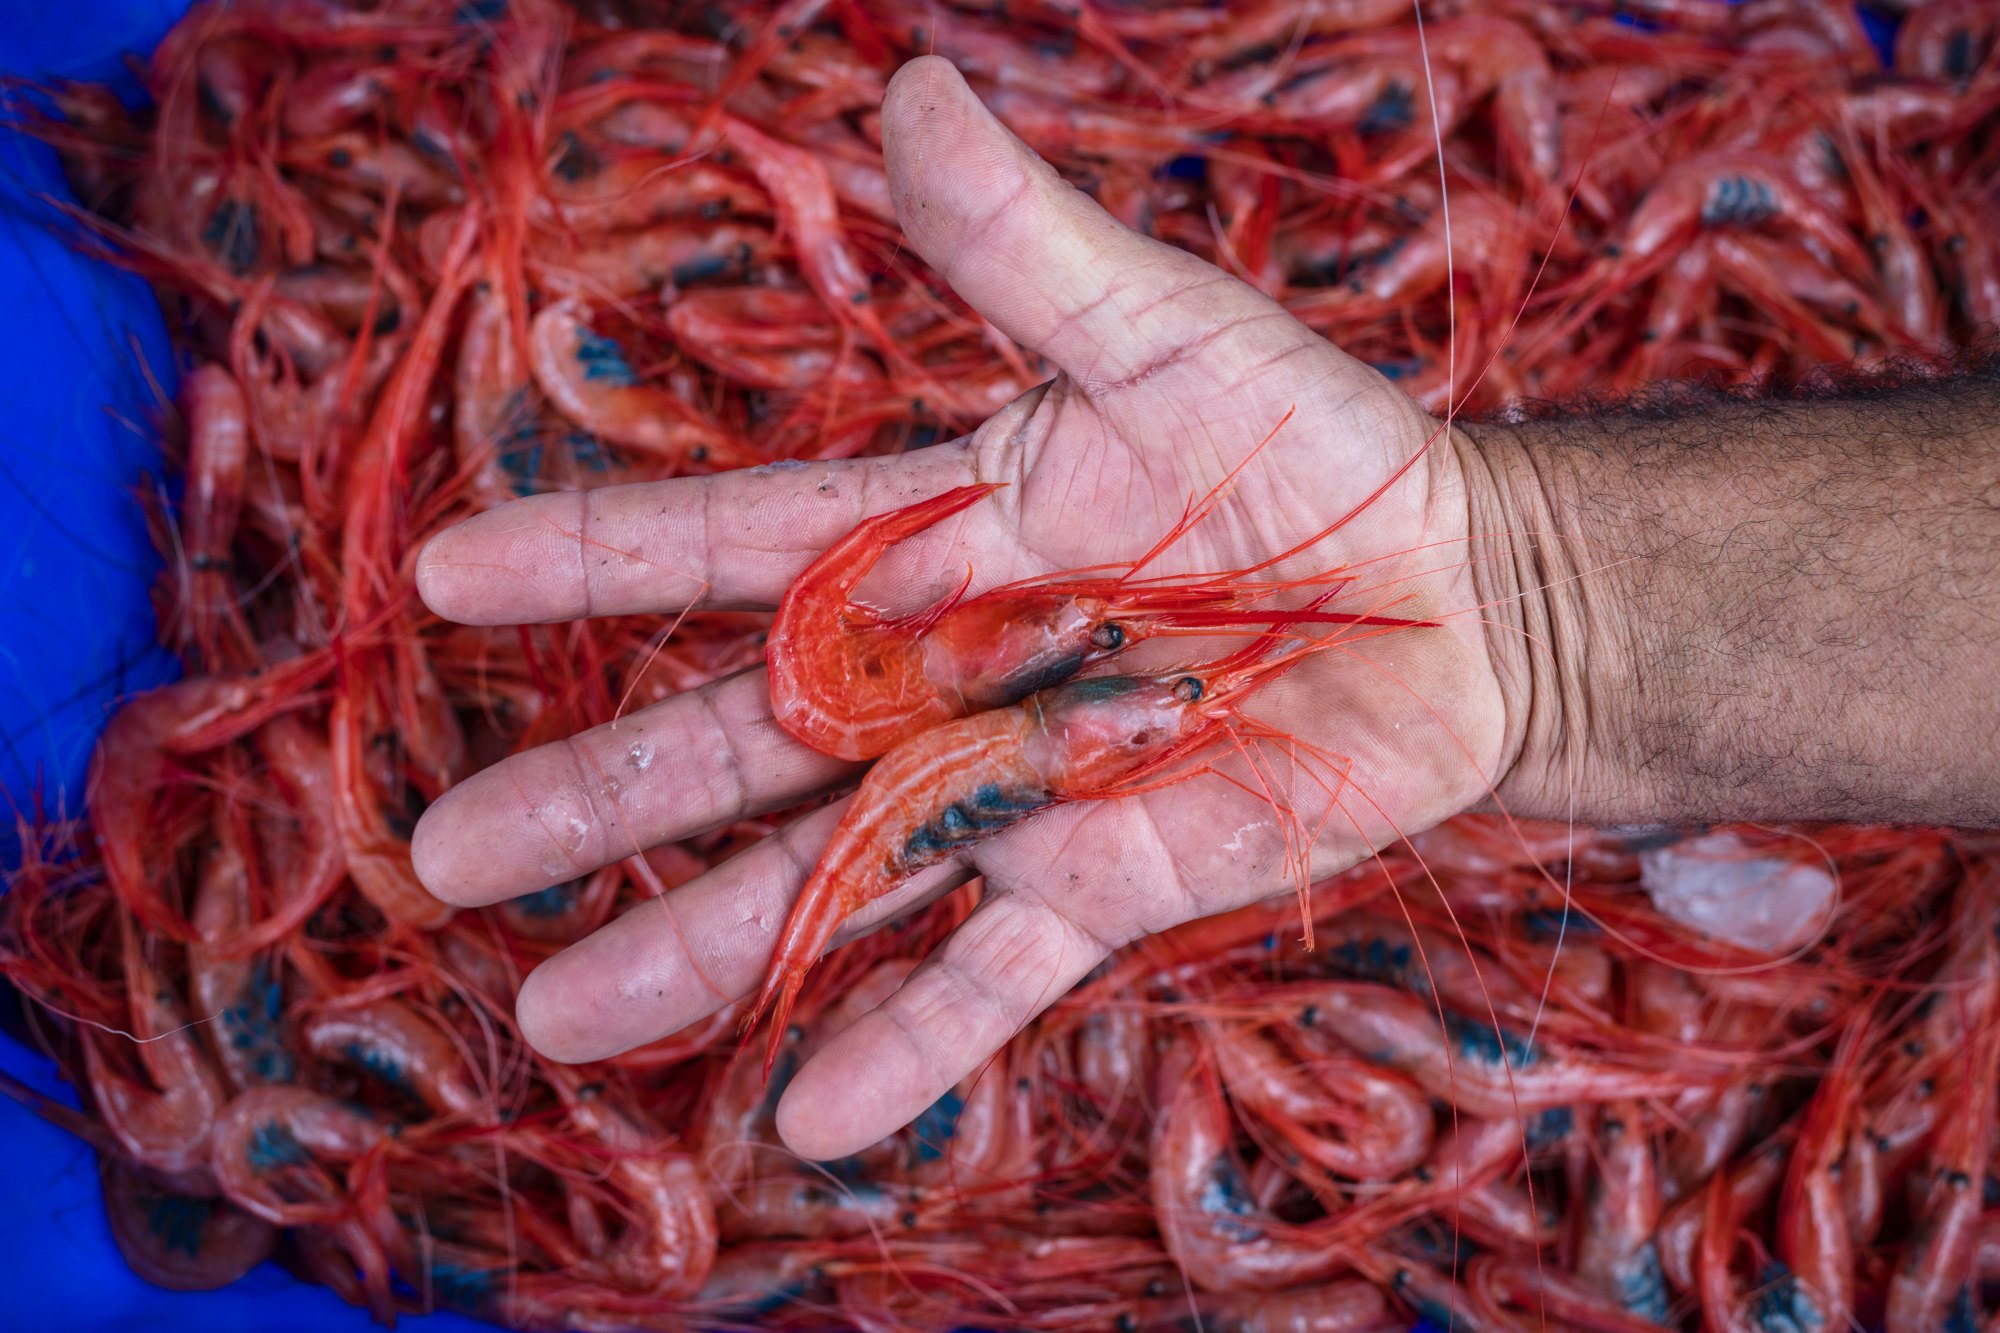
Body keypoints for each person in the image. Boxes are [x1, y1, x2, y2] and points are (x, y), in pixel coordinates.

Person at [408, 57, 2000, 1161]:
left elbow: (1056, 717)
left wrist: (1517, 606)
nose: (1144, 642)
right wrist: (1522, 598)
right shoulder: (973, 684)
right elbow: (1036, 714)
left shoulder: (1035, 692)